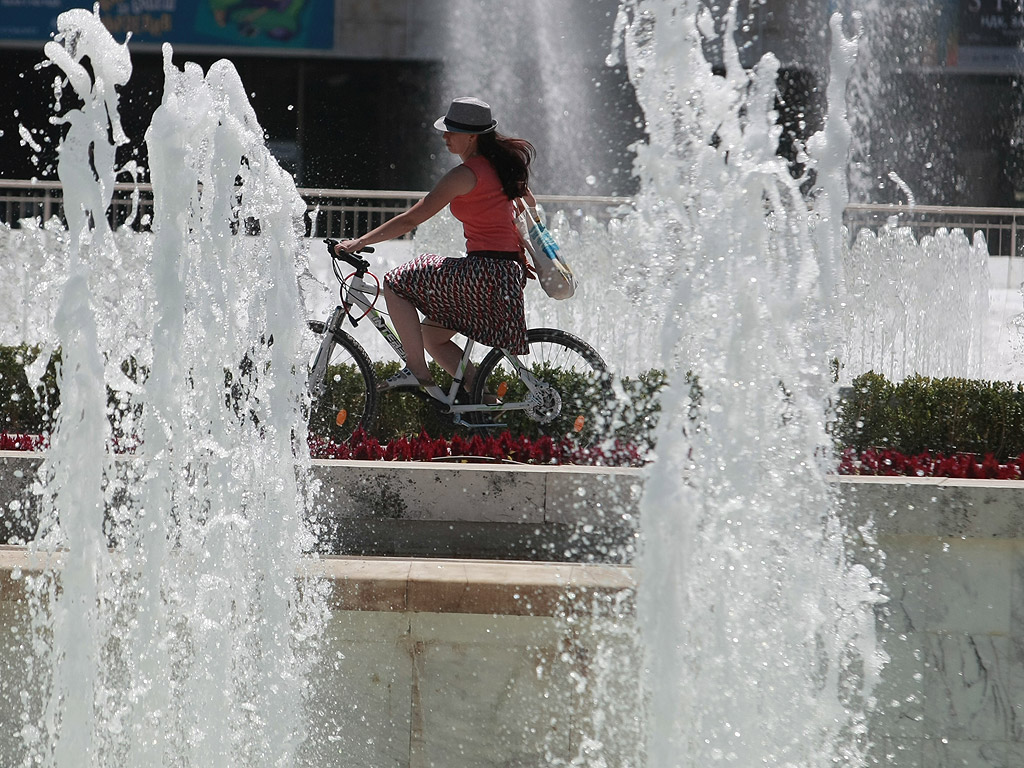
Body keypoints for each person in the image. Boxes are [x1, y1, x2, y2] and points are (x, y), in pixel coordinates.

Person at [336, 96, 536, 401]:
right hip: (506, 273)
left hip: (484, 273)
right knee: (431, 335)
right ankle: (482, 399)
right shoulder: (503, 169)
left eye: (451, 131)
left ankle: (415, 373)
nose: (445, 136)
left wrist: (360, 242)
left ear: (472, 136)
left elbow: (412, 218)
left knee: (394, 282)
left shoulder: (466, 175)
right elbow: (528, 209)